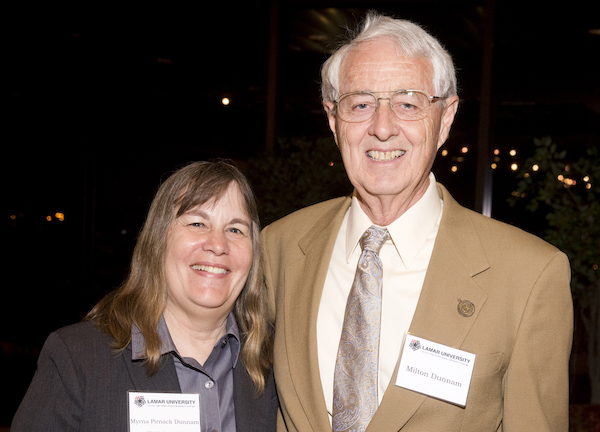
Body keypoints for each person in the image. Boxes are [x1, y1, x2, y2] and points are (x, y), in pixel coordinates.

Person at [261, 11, 573, 432]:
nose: (383, 127)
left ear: (445, 119)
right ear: (334, 121)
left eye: (408, 103)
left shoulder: (529, 274)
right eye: (361, 104)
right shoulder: (279, 246)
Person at [12, 161, 278, 432]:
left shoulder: (277, 364)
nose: (218, 245)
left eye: (235, 229)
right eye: (198, 223)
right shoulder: (78, 359)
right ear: (158, 240)